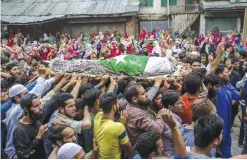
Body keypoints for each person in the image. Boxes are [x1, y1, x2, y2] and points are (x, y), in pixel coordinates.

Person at [94, 92, 132, 158]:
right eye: (117, 102)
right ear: (114, 107)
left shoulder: (97, 116)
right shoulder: (118, 126)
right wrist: (123, 125)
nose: (119, 103)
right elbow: (128, 147)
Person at [215, 65, 240, 158]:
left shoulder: (227, 84)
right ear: (220, 74)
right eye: (226, 72)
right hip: (219, 121)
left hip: (227, 121)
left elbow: (237, 96)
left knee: (226, 141)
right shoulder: (215, 88)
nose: (229, 73)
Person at [13, 93, 47, 158]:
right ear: (26, 109)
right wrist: (38, 137)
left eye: (40, 104)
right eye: (36, 106)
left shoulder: (36, 117)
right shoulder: (20, 130)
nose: (40, 107)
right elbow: (23, 155)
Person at [161, 89, 185, 157]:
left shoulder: (170, 117)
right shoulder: (169, 121)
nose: (184, 104)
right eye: (180, 103)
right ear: (170, 107)